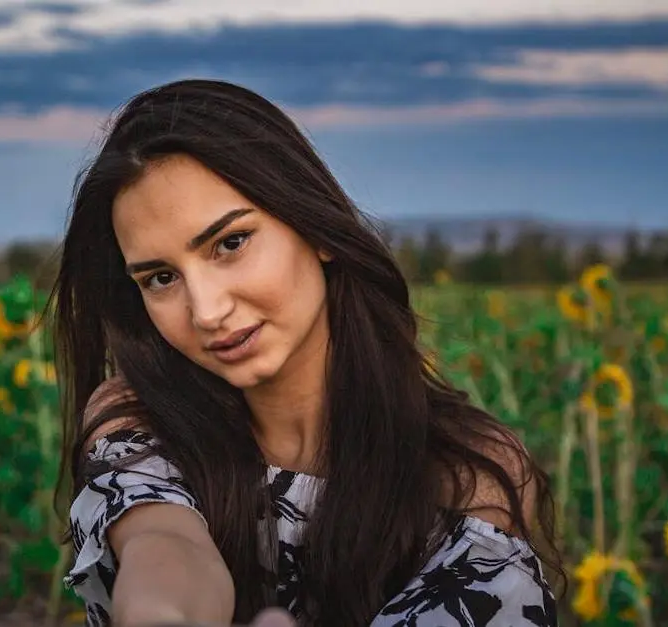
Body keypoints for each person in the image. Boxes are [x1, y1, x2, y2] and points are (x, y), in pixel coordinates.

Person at [48, 78, 561, 626]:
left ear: (315, 228)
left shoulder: (467, 471)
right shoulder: (137, 417)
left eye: (230, 243)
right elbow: (164, 541)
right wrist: (160, 611)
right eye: (161, 278)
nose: (206, 310)